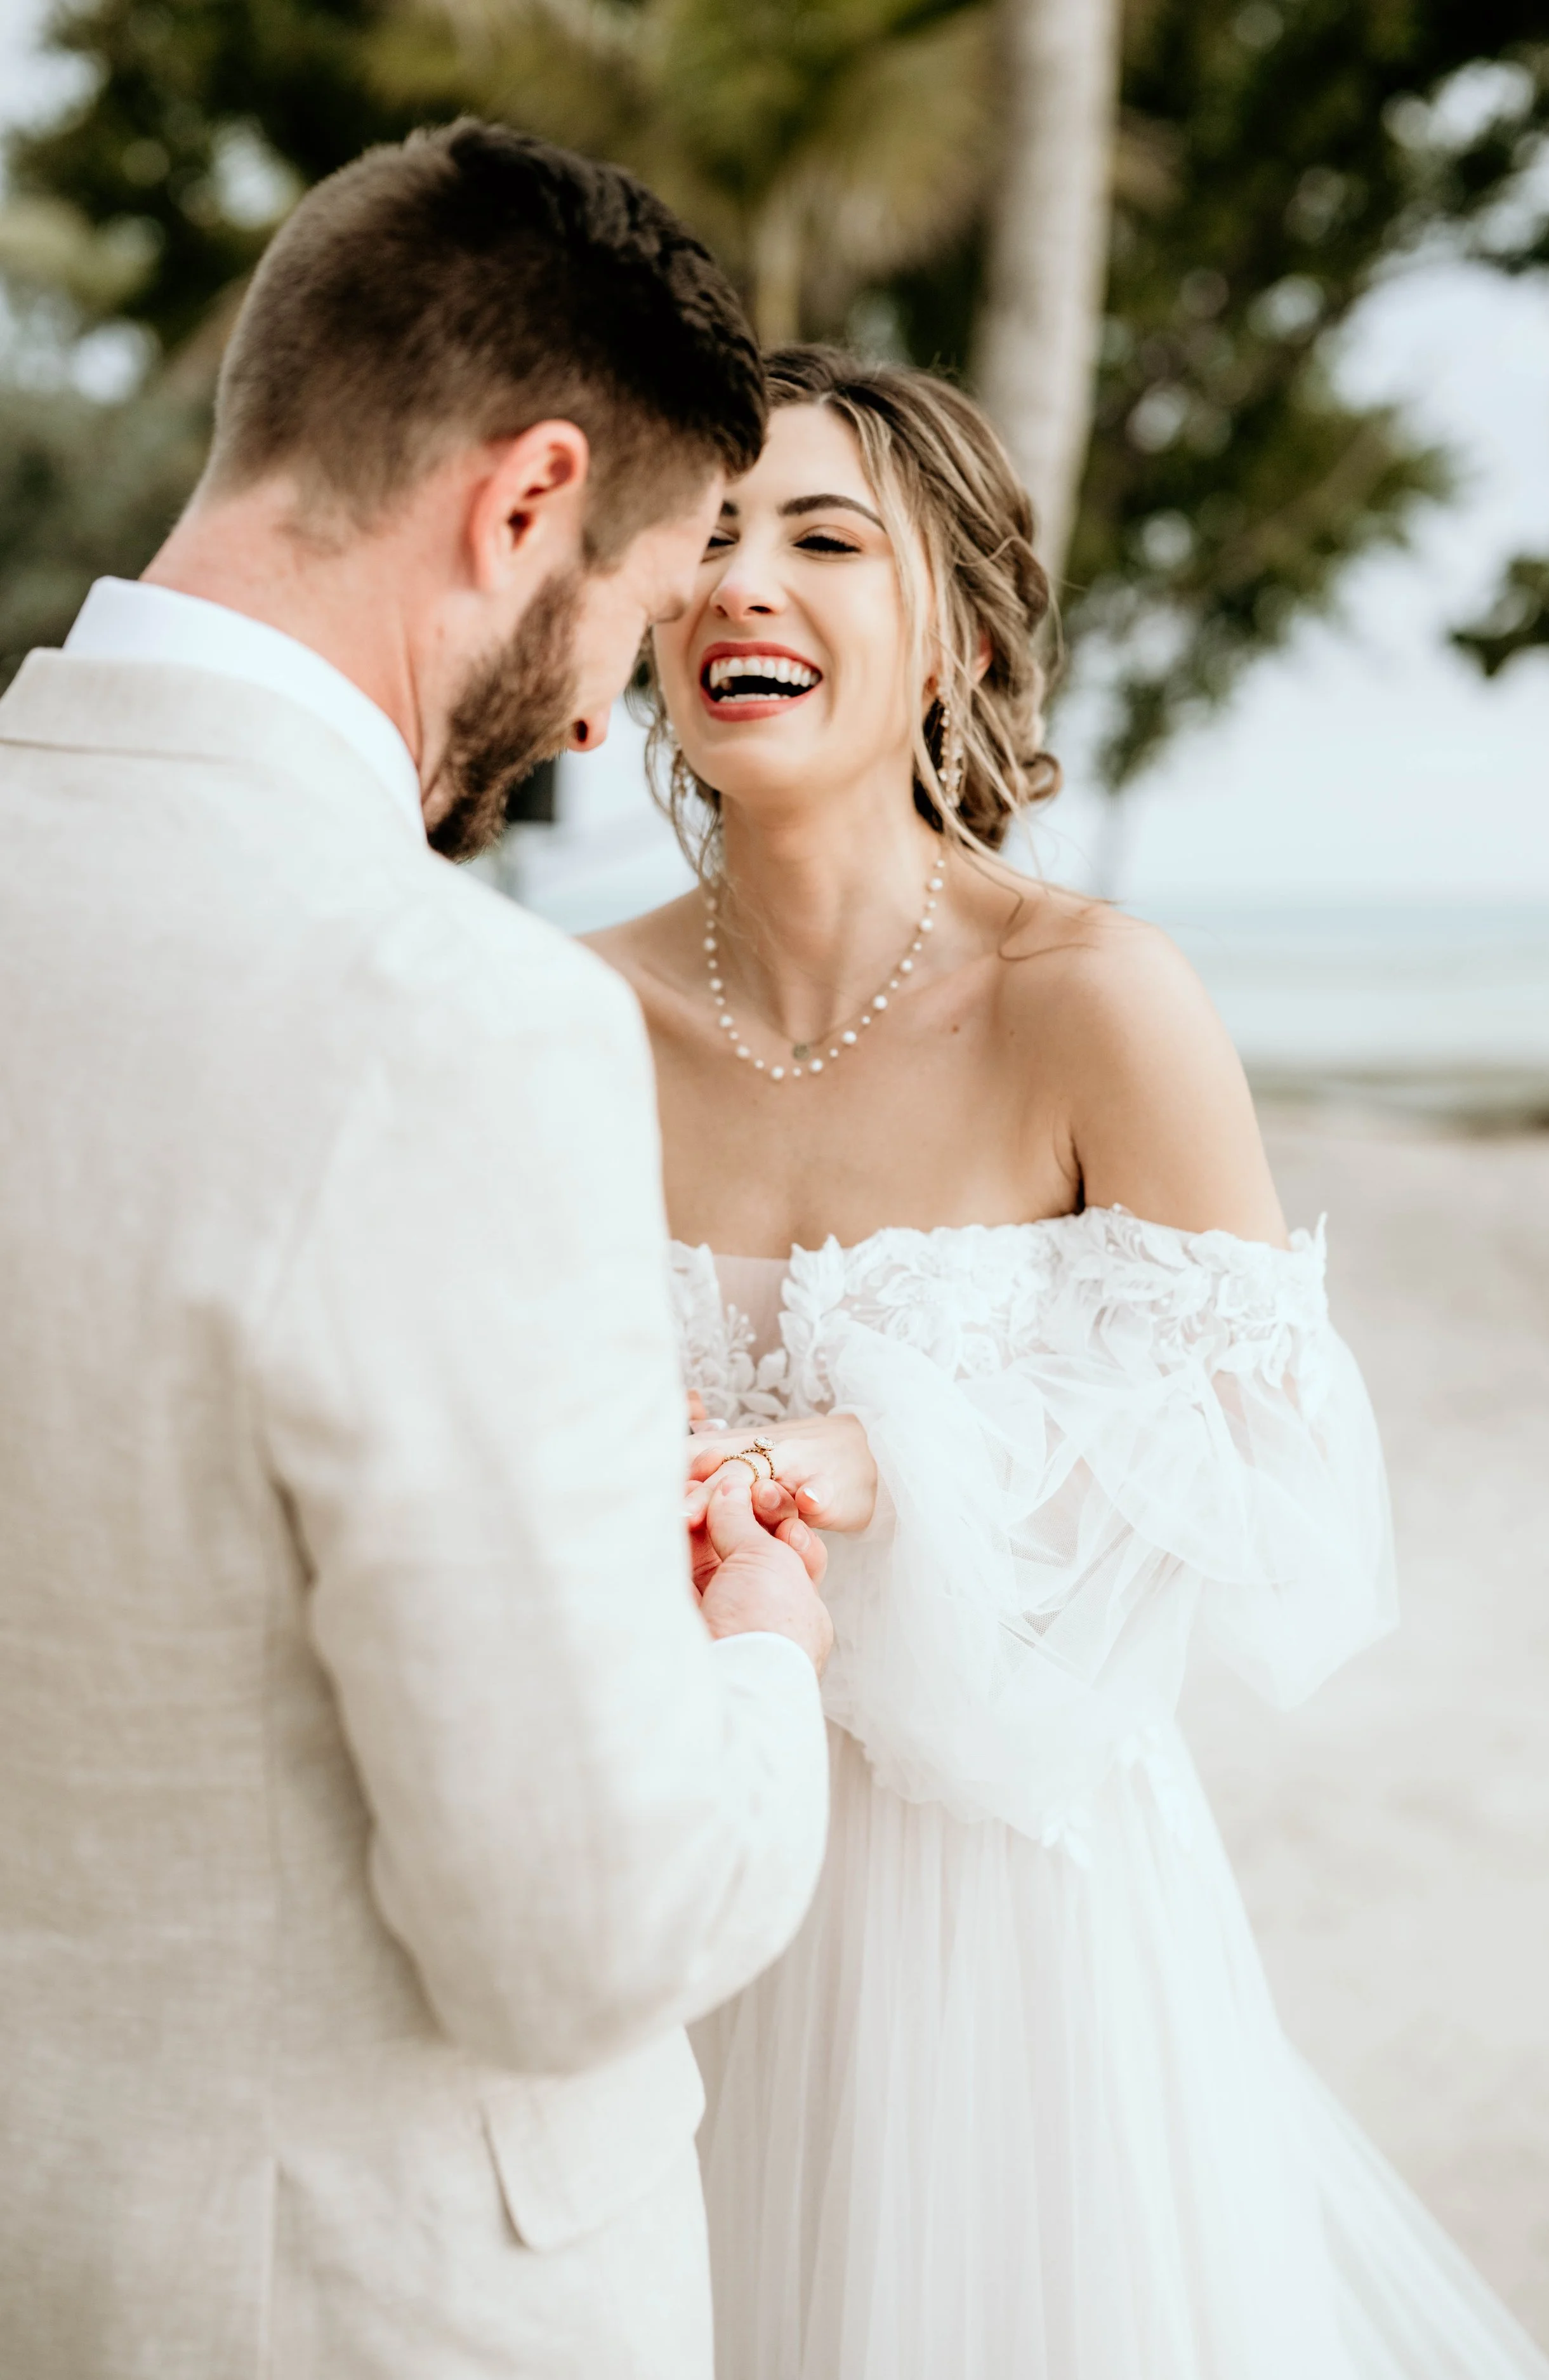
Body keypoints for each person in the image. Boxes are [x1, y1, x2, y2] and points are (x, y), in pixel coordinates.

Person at [590, 344, 1549, 2380]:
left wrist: (898, 1449)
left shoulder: (1093, 997)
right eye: (701, 533)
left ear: (945, 633)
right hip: (658, 1855)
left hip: (1006, 1914)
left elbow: (1276, 1462)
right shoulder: (551, 1014)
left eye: (821, 537)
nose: (739, 581)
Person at [0, 125, 835, 2380]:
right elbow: (576, 1925)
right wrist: (760, 1646)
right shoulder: (449, 1025)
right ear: (523, 499)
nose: (594, 720)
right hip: (354, 2305)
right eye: (641, 607)